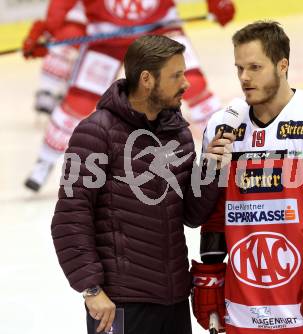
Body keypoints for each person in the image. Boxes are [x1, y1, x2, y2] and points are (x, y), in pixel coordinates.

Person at [190, 21, 303, 333]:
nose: (245, 77)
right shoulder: (223, 126)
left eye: (255, 67)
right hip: (245, 310)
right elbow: (216, 213)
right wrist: (211, 267)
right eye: (239, 68)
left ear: (282, 65)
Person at [50, 35, 234, 334]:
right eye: (176, 75)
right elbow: (70, 216)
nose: (186, 83)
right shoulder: (95, 132)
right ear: (147, 79)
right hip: (119, 303)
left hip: (172, 301)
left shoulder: (178, 134)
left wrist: (211, 168)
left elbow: (191, 214)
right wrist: (91, 290)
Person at [23, 0, 235, 192]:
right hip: (106, 37)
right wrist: (49, 30)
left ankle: (226, 154)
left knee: (193, 85)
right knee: (78, 101)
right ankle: (45, 160)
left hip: (160, 29)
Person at [22, 1, 87, 115]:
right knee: (79, 69)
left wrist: (37, 38)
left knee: (58, 60)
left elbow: (53, 21)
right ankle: (66, 97)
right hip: (88, 41)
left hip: (65, 37)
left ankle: (48, 93)